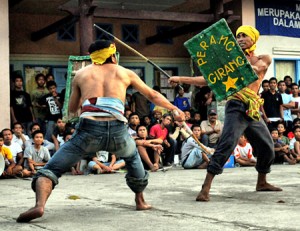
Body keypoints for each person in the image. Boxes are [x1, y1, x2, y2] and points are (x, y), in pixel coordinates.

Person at [17, 40, 185, 223]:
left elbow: (72, 108)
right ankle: (140, 200)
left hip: (88, 130)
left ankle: (39, 205)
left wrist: (86, 97)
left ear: (93, 58)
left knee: (50, 170)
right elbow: (152, 95)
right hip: (118, 131)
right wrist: (175, 110)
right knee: (132, 157)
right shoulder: (125, 73)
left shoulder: (81, 74)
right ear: (113, 56)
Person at [169, 25, 282, 202]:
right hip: (236, 106)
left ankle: (262, 182)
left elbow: (256, 69)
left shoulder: (263, 58)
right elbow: (207, 80)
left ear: (253, 39)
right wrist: (180, 78)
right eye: (238, 36)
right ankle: (205, 187)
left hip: (252, 108)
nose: (240, 39)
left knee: (267, 146)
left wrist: (235, 61)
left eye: (245, 36)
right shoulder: (229, 62)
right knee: (227, 144)